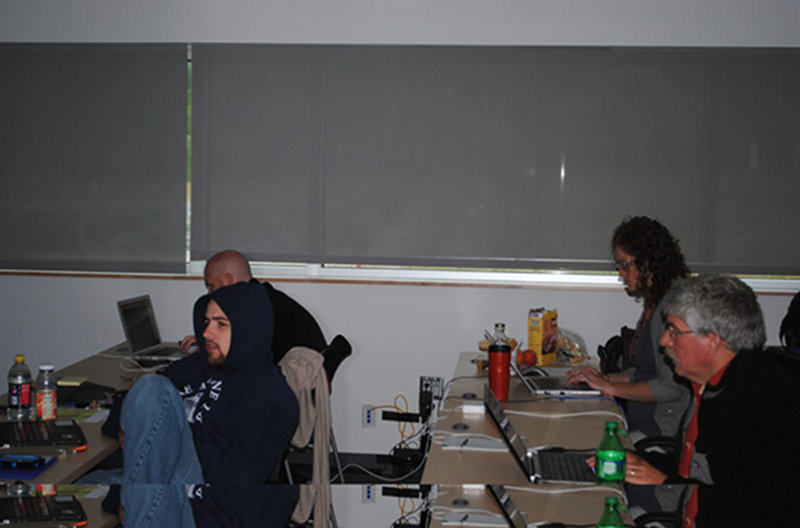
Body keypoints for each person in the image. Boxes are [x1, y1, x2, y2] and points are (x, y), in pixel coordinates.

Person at [116, 281, 300, 527]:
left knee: (153, 388)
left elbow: (236, 476)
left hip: (202, 505)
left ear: (249, 329)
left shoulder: (272, 398)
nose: (206, 333)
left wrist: (167, 435)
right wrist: (135, 432)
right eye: (206, 322)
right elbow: (136, 408)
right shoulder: (196, 365)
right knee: (78, 483)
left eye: (221, 324)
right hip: (154, 481)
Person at [623, 275, 800, 526]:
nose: (664, 342)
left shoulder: (760, 405)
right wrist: (636, 460)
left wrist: (663, 479)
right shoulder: (716, 383)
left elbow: (747, 502)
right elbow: (704, 465)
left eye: (674, 331)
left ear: (713, 340)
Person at [567, 216, 691, 439]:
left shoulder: (671, 310)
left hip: (657, 432)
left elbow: (671, 388)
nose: (621, 273)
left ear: (648, 262)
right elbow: (643, 372)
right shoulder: (655, 302)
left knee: (582, 443)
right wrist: (601, 377)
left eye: (625, 264)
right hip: (637, 420)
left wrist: (610, 388)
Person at [180, 250, 327, 364]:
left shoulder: (252, 308)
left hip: (289, 378)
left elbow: (240, 356)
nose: (210, 293)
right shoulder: (267, 298)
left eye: (212, 286)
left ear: (228, 280)